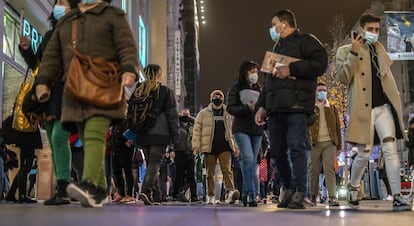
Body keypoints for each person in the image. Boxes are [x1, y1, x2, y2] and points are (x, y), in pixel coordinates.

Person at [33, 0, 139, 208]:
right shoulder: (67, 22)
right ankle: (100, 190)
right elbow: (52, 57)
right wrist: (43, 82)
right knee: (86, 136)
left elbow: (126, 46)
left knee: (93, 132)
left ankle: (89, 185)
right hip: (73, 89)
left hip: (103, 84)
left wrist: (128, 69)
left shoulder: (112, 16)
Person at [335, 13, 411, 211]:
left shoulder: (379, 48)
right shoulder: (345, 50)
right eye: (371, 29)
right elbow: (343, 77)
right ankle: (352, 186)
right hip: (362, 108)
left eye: (377, 30)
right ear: (361, 30)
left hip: (384, 107)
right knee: (364, 153)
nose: (374, 33)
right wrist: (353, 52)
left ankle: (397, 196)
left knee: (390, 148)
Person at [254, 9, 328, 209]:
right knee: (277, 152)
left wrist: (292, 69)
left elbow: (321, 62)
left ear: (284, 24)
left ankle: (299, 192)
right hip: (275, 109)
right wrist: (261, 106)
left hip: (297, 106)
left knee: (297, 148)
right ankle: (287, 189)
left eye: (274, 23)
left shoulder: (305, 41)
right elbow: (268, 81)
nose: (272, 28)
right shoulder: (275, 47)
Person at [19, 0, 81, 206]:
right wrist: (26, 50)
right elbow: (37, 65)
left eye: (64, 2)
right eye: (58, 2)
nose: (59, 6)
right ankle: (62, 187)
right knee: (54, 141)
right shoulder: (48, 36)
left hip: (68, 89)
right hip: (47, 92)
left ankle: (64, 187)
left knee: (59, 135)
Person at [135, 64, 178, 205]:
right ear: (159, 75)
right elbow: (172, 116)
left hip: (142, 132)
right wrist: (175, 136)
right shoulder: (165, 91)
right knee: (154, 164)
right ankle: (146, 191)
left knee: (150, 166)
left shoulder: (139, 90)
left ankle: (157, 195)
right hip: (160, 133)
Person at [192, 89, 240, 205]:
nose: (217, 98)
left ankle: (230, 193)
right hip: (209, 146)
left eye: (220, 96)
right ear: (211, 98)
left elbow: (234, 130)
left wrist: (236, 147)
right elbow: (197, 130)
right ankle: (211, 195)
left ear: (223, 99)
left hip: (225, 146)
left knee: (227, 170)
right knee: (210, 173)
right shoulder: (203, 113)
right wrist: (196, 146)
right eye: (215, 96)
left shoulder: (228, 113)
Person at [227, 61, 264, 207]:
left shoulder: (260, 89)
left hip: (257, 129)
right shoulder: (236, 87)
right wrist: (246, 108)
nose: (254, 74)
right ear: (244, 72)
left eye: (256, 71)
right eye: (251, 71)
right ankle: (251, 195)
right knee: (248, 158)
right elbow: (230, 108)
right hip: (241, 128)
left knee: (250, 162)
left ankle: (245, 193)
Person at [308, 82, 341, 207]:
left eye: (324, 90)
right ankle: (312, 196)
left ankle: (332, 196)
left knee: (330, 170)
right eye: (320, 90)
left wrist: (339, 146)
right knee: (314, 170)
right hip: (315, 143)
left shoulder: (331, 108)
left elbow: (338, 127)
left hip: (329, 142)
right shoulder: (311, 108)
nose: (323, 92)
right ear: (315, 92)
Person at [171, 112, 199, 203]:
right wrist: (171, 149)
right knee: (178, 175)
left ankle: (194, 196)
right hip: (179, 153)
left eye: (187, 114)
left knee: (191, 176)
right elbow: (173, 138)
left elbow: (197, 122)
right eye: (184, 114)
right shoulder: (177, 126)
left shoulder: (192, 127)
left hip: (190, 153)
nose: (185, 116)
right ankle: (175, 195)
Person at [108, 120, 135, 203]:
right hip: (115, 148)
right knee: (116, 172)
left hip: (126, 148)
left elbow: (133, 131)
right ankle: (121, 194)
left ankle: (130, 194)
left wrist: (130, 141)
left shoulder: (129, 120)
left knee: (127, 171)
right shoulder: (115, 121)